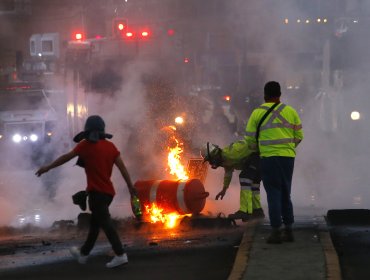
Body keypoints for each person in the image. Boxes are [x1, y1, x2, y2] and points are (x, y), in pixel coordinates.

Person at [35, 115, 136, 268]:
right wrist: (130, 186)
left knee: (106, 224)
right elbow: (122, 168)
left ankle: (120, 254)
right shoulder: (111, 147)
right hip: (108, 193)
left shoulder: (85, 145)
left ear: (88, 130)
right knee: (95, 225)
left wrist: (48, 167)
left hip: (97, 194)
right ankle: (83, 254)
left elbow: (66, 158)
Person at [245, 81, 304, 244]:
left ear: (265, 95)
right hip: (287, 159)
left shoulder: (257, 113)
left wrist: (257, 149)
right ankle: (289, 230)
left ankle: (276, 231)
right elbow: (299, 136)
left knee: (273, 193)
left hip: (269, 159)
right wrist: (287, 148)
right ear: (280, 94)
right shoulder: (290, 111)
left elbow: (249, 139)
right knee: (286, 192)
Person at [200, 141, 265, 221]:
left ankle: (244, 211)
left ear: (214, 156)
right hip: (259, 160)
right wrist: (224, 190)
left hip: (259, 157)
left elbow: (250, 145)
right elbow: (228, 174)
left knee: (244, 177)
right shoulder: (225, 160)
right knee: (254, 185)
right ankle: (257, 211)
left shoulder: (232, 153)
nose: (210, 163)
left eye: (209, 160)